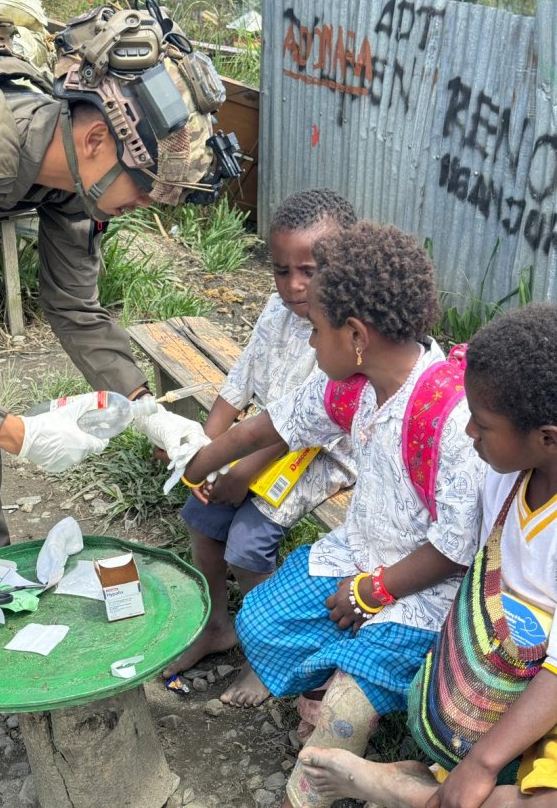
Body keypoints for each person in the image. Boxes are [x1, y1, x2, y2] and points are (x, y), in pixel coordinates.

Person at [0, 0, 239, 765]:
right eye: (139, 191)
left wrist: (152, 411)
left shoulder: (69, 171)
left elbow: (74, 304)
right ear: (96, 137)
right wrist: (18, 432)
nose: (137, 207)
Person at [179, 222, 485, 808]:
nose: (312, 345)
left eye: (317, 332)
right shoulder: (354, 385)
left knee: (347, 709)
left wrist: (373, 592)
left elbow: (454, 549)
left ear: (356, 333)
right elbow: (273, 423)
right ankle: (328, 685)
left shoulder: (447, 416)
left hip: (424, 592)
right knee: (262, 621)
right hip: (361, 551)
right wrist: (202, 461)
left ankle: (318, 778)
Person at [298, 303, 557, 808]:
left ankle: (399, 789)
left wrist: (482, 763)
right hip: (496, 670)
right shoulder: (506, 472)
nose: (467, 434)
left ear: (547, 439)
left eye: (481, 425)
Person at [163, 188, 357, 686]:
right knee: (205, 522)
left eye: (309, 271)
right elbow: (239, 383)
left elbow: (307, 424)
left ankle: (265, 654)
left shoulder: (344, 327)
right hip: (263, 439)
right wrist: (201, 449)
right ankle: (216, 627)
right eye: (281, 270)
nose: (293, 286)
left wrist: (240, 474)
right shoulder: (276, 310)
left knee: (248, 546)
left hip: (320, 454)